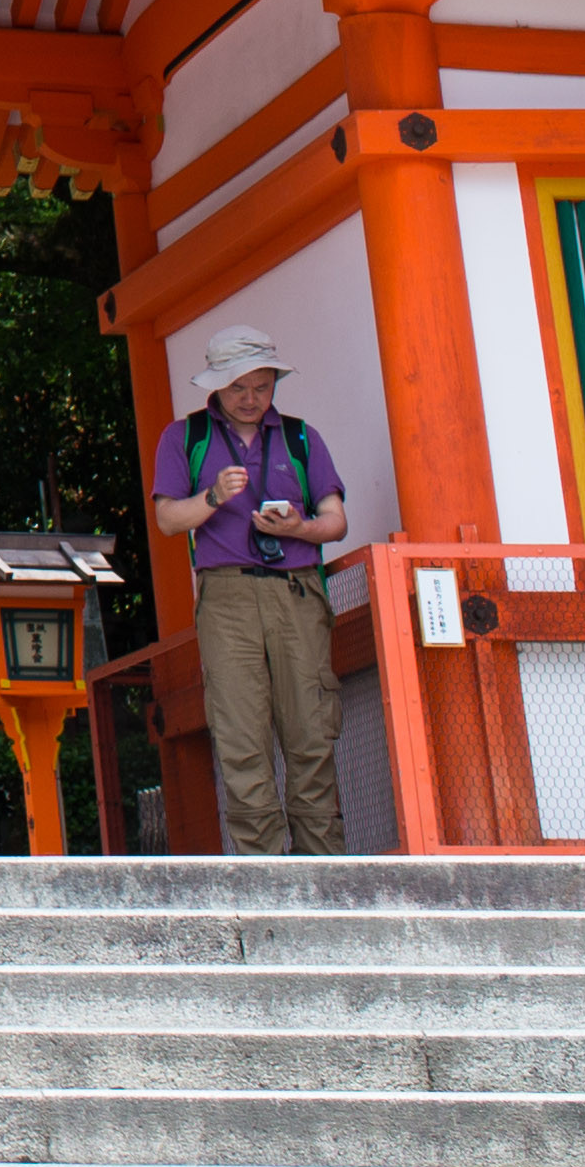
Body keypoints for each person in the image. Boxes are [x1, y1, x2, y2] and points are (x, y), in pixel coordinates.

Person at [152, 323, 351, 854]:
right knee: (241, 735)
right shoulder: (185, 437)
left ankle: (323, 872)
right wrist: (214, 496)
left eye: (261, 387)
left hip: (298, 591)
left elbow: (335, 519)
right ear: (216, 386)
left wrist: (299, 529)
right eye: (239, 387)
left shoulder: (300, 437)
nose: (250, 399)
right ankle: (264, 877)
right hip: (227, 596)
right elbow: (169, 520)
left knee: (311, 731)